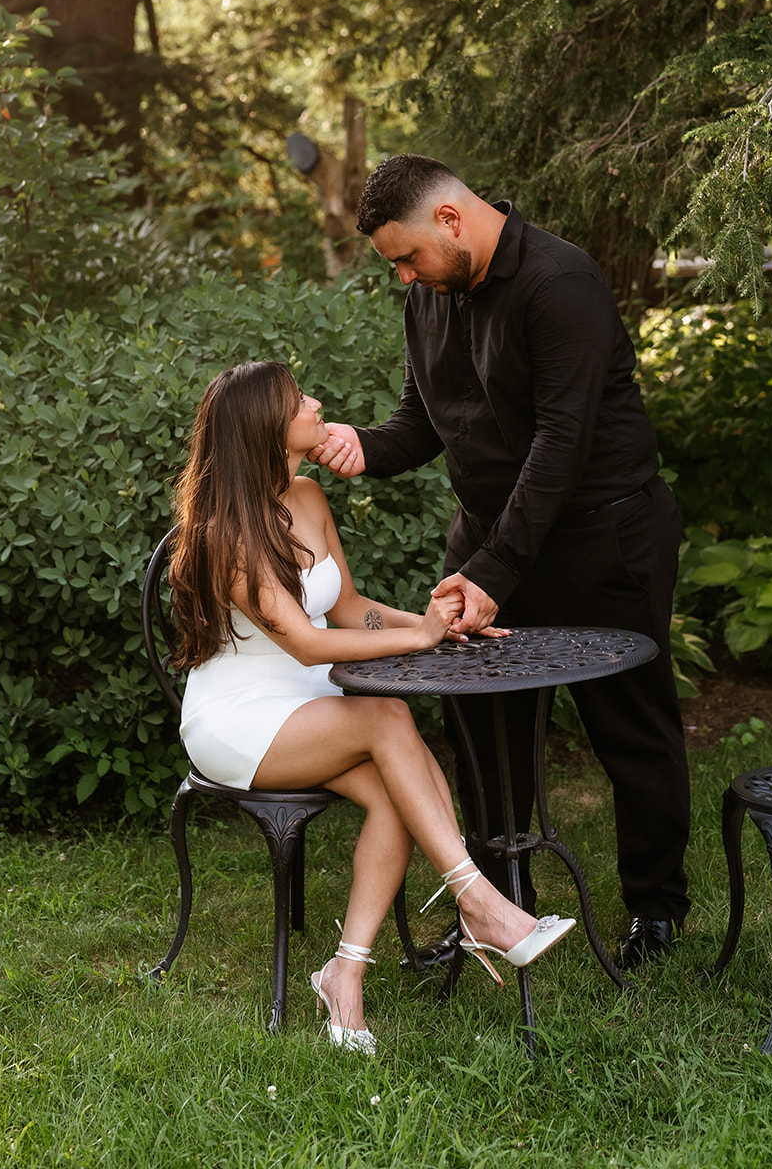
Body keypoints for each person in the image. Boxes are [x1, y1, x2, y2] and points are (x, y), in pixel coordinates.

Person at [310, 154, 690, 968]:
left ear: (450, 219)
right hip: (491, 541)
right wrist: (362, 450)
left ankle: (655, 911)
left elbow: (559, 447)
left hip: (604, 537)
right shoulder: (430, 294)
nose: (404, 275)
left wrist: (490, 572)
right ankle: (499, 906)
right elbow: (422, 420)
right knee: (482, 728)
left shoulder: (562, 286)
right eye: (395, 265)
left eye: (406, 256)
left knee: (631, 727)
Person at [169, 359, 574, 1053]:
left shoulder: (307, 499)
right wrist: (416, 633)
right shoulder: (225, 533)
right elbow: (302, 642)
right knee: (390, 717)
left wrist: (433, 624)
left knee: (394, 792)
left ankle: (343, 974)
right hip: (240, 719)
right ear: (268, 425)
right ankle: (478, 902)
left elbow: (349, 609)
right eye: (300, 400)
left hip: (314, 706)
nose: (318, 402)